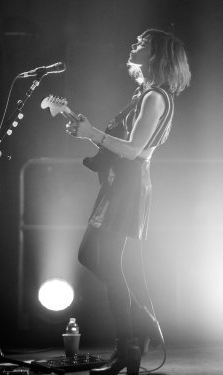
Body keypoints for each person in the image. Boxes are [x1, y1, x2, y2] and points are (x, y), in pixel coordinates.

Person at [66, 28, 191, 375]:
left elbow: (135, 151)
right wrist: (87, 134)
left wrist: (92, 132)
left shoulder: (156, 98)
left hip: (129, 186)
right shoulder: (144, 93)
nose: (134, 44)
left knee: (103, 260)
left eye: (142, 42)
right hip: (120, 183)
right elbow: (121, 150)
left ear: (156, 54)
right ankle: (141, 328)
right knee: (92, 256)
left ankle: (128, 347)